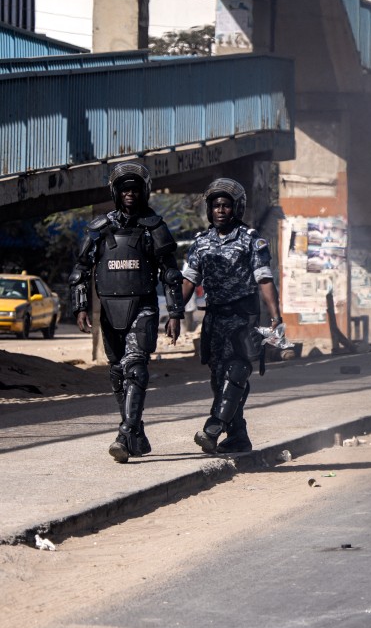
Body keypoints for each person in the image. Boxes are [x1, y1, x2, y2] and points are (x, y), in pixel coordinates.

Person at [69, 162, 184, 463]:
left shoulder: (154, 227)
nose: (129, 193)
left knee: (136, 367)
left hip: (143, 307)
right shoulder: (100, 228)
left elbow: (171, 274)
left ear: (143, 191)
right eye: (124, 189)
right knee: (118, 374)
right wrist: (80, 306)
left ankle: (124, 432)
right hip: (108, 310)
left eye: (134, 188)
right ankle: (137, 435)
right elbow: (80, 270)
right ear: (116, 192)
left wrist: (175, 313)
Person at [180, 178, 281, 455]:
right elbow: (188, 280)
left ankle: (214, 427)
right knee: (218, 379)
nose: (220, 210)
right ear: (209, 209)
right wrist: (176, 312)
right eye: (216, 205)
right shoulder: (201, 243)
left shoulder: (251, 240)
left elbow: (264, 279)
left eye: (226, 205)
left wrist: (276, 315)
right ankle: (238, 436)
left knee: (236, 373)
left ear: (236, 208)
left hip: (243, 316)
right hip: (214, 319)